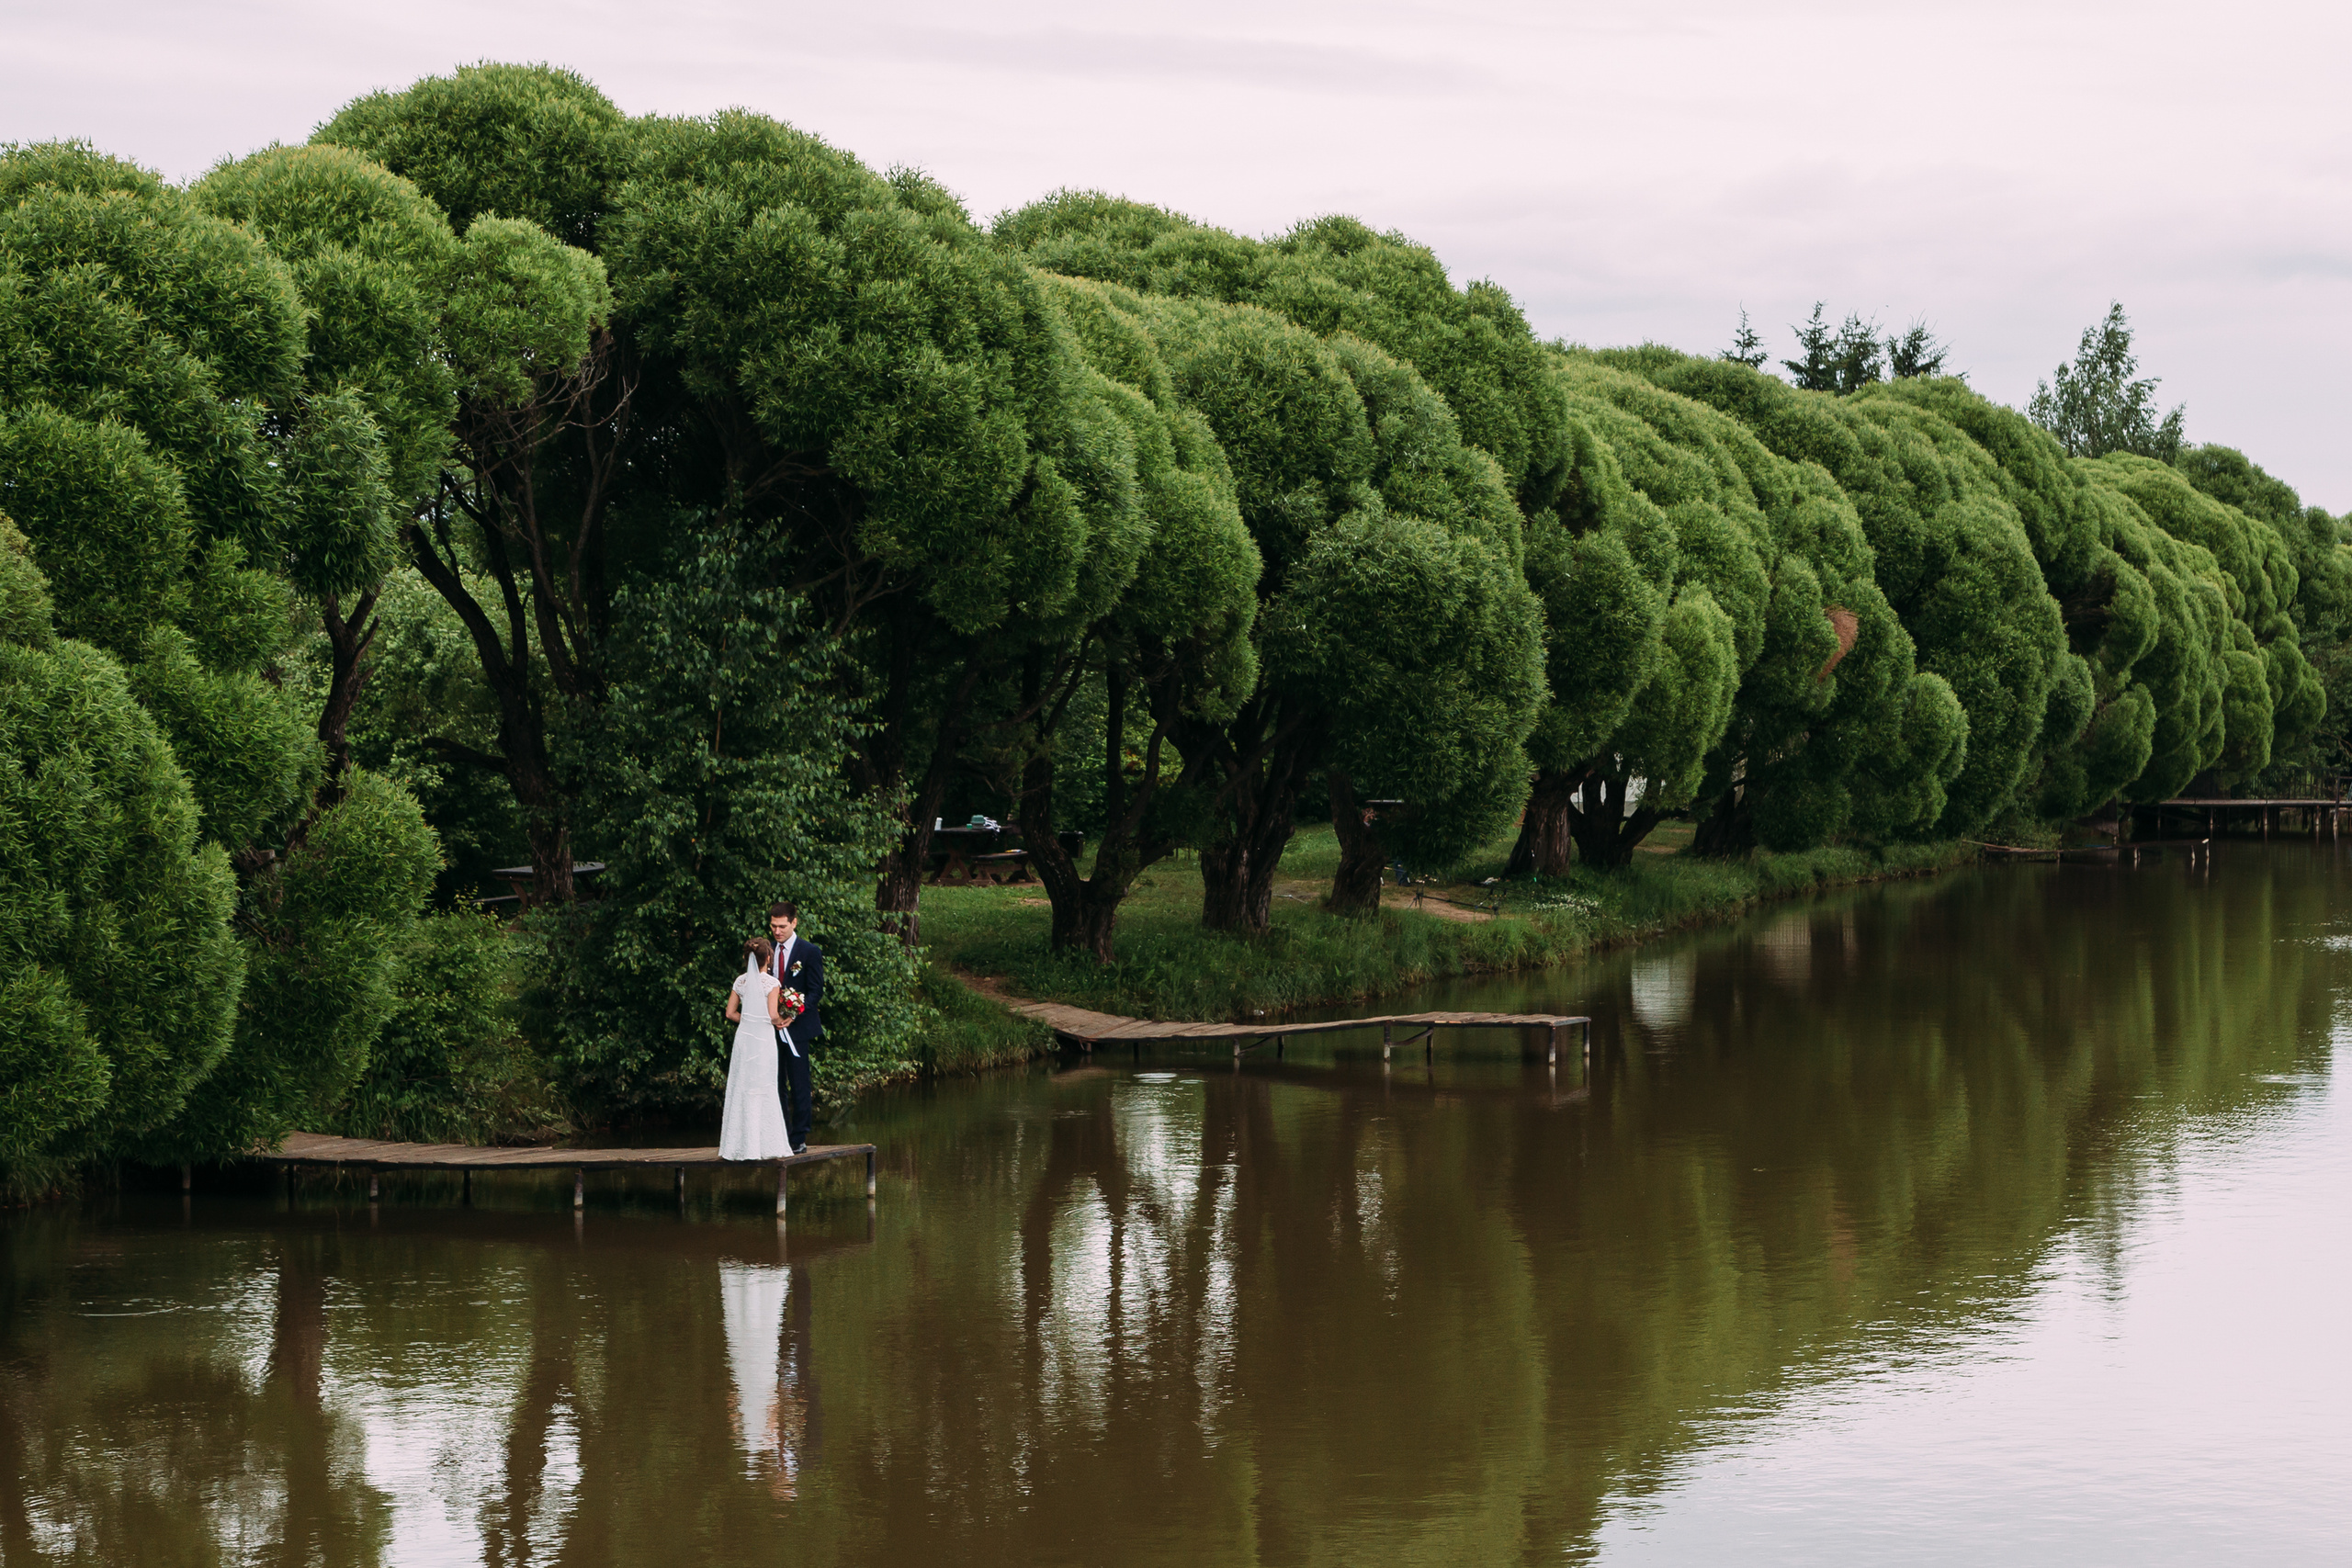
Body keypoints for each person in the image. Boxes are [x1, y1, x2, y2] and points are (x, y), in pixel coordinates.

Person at [720, 938, 793, 1159]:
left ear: (747, 958)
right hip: (762, 1039)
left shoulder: (740, 982)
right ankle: (765, 1145)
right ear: (768, 958)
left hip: (745, 1037)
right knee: (764, 1084)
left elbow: (730, 1013)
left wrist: (748, 1019)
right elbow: (772, 1016)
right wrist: (787, 1017)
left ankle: (738, 1146)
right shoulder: (771, 983)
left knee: (742, 1084)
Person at [765, 902, 826, 1153]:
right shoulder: (766, 951)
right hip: (770, 1028)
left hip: (798, 1028)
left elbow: (816, 991)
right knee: (774, 1082)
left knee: (800, 1083)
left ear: (794, 923)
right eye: (773, 926)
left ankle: (799, 1137)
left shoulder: (809, 951)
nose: (777, 931)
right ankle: (779, 1133)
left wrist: (794, 1012)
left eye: (782, 926)